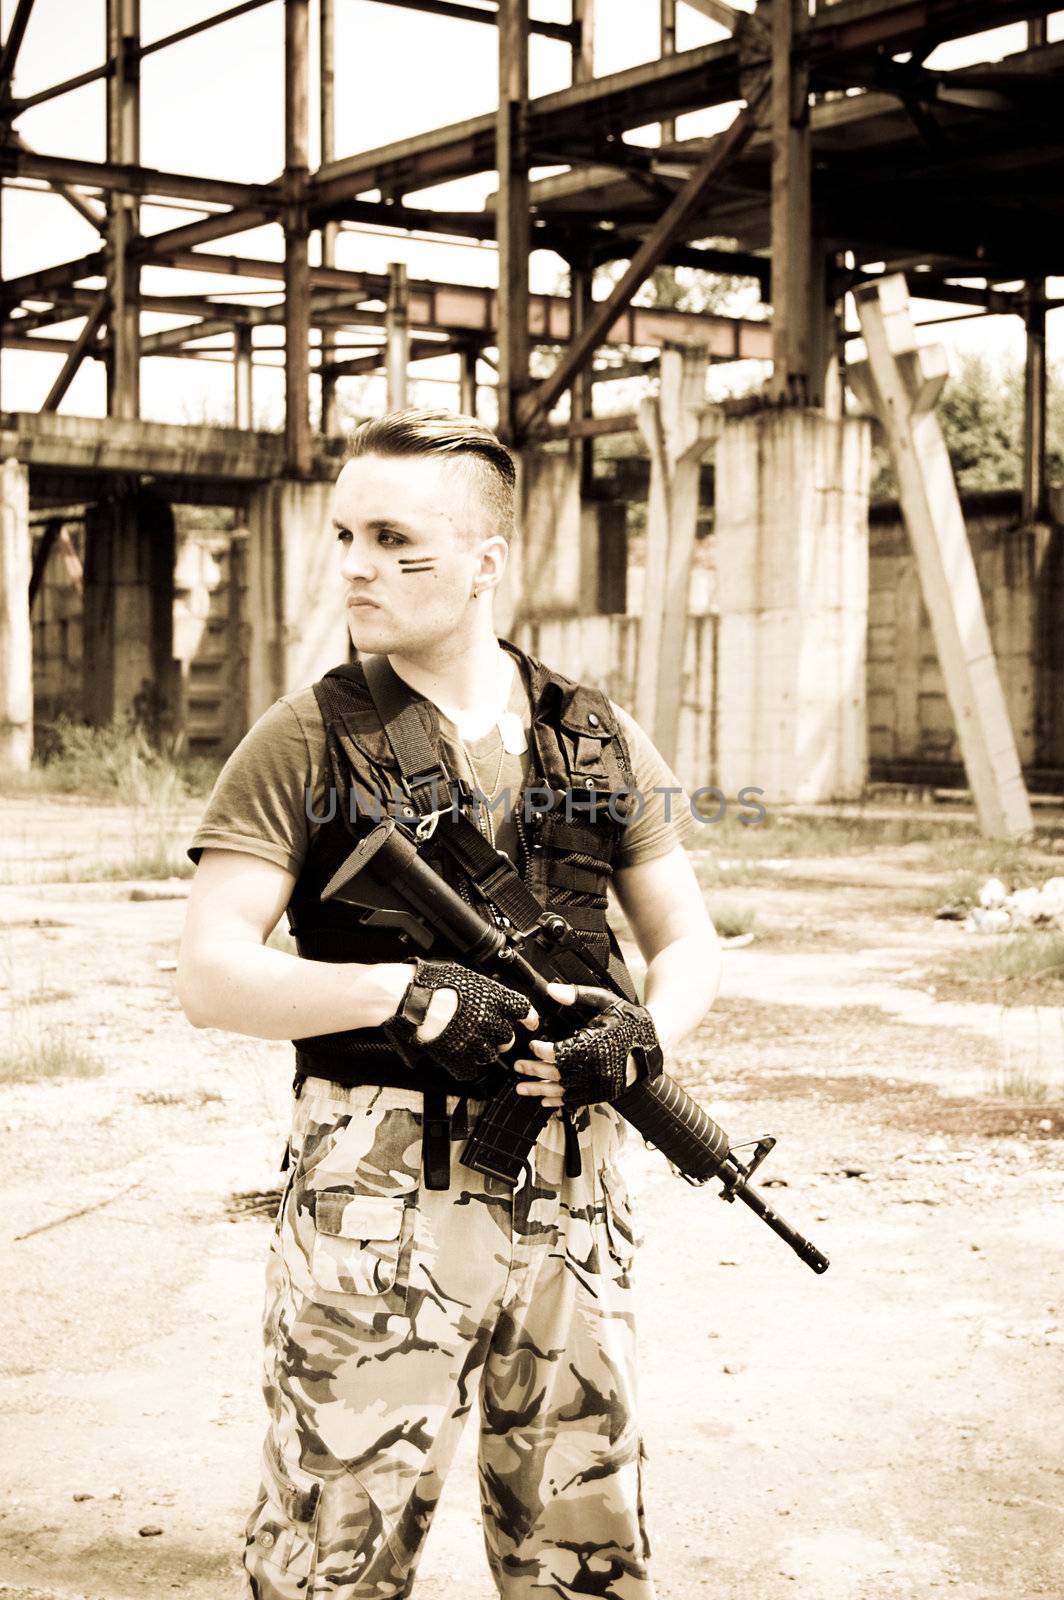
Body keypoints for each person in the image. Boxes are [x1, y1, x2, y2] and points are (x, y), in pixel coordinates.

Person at [177, 408, 721, 1600]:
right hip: (379, 1205)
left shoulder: (596, 732)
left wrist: (644, 1033)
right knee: (337, 1545)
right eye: (346, 536)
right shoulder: (304, 737)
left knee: (585, 1545)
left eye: (398, 542)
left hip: (575, 1200)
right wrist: (402, 990)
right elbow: (209, 972)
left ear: (488, 561)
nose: (358, 566)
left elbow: (688, 942)